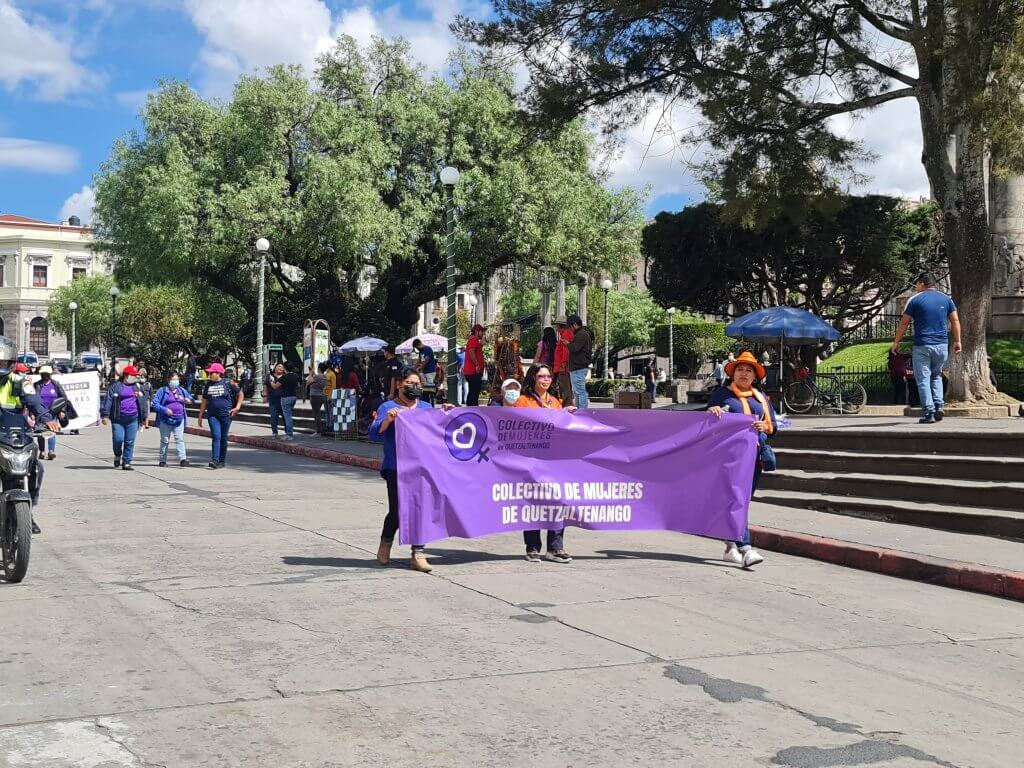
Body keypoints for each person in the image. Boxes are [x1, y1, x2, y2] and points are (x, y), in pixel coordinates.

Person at [369, 368, 440, 573]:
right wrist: (388, 420)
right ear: (399, 384)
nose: (413, 387)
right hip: (396, 468)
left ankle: (418, 553)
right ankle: (386, 541)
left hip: (422, 469)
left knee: (421, 510)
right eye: (409, 383)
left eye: (417, 383)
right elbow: (374, 434)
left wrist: (445, 413)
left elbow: (437, 431)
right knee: (398, 511)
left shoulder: (426, 407)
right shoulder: (388, 407)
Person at [707, 351, 772, 569]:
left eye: (749, 370)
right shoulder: (722, 395)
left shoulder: (760, 398)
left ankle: (730, 545)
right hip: (728, 457)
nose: (744, 373)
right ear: (733, 374)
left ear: (755, 376)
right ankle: (745, 547)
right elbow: (708, 420)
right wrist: (712, 411)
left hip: (754, 457)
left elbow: (774, 427)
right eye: (740, 370)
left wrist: (765, 427)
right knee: (738, 499)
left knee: (741, 501)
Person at [513, 363, 577, 563]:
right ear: (533, 378)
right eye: (541, 376)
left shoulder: (556, 402)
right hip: (531, 460)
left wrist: (566, 414)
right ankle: (532, 547)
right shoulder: (523, 401)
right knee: (532, 503)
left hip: (554, 462)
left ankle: (555, 548)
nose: (546, 380)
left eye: (548, 376)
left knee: (558, 502)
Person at [892, 272, 962, 424]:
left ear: (922, 283)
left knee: (923, 379)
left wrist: (897, 342)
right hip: (942, 345)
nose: (916, 287)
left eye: (916, 284)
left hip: (923, 345)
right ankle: (939, 406)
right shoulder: (946, 299)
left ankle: (929, 412)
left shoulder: (915, 300)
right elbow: (955, 321)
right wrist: (957, 341)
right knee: (936, 375)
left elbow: (904, 323)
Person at [100, 365, 149, 471]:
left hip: (133, 418)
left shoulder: (138, 386)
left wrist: (144, 417)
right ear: (126, 375)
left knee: (129, 441)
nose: (135, 377)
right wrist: (105, 415)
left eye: (136, 376)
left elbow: (144, 403)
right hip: (118, 419)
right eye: (133, 375)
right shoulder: (116, 386)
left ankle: (126, 462)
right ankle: (117, 455)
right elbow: (108, 401)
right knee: (118, 439)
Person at [196, 362, 243, 468]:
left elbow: (240, 394)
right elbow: (204, 400)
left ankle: (222, 461)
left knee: (223, 437)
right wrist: (200, 415)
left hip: (226, 415)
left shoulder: (228, 383)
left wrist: (237, 407)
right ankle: (215, 460)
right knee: (216, 435)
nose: (209, 375)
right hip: (212, 415)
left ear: (218, 373)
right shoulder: (208, 385)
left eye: (211, 373)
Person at [152, 372, 194, 467]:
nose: (176, 382)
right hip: (165, 419)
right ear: (168, 380)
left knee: (179, 439)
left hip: (179, 419)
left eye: (177, 380)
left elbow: (191, 399)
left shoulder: (182, 391)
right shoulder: (162, 391)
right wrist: (165, 410)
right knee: (165, 440)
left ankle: (183, 459)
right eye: (173, 380)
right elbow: (155, 404)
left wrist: (188, 400)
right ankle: (162, 460)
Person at [35, 366, 65, 460]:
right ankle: (42, 451)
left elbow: (63, 398)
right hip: (40, 412)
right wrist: (32, 412)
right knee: (41, 432)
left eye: (47, 374)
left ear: (50, 374)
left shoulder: (56, 384)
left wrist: (62, 410)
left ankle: (51, 451)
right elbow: (33, 399)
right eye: (43, 374)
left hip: (53, 412)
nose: (45, 376)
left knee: (52, 431)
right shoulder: (37, 385)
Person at [265, 362, 300, 440]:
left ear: (285, 368)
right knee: (288, 415)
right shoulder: (296, 376)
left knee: (287, 417)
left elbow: (274, 386)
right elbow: (298, 386)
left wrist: (271, 381)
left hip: (285, 397)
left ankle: (289, 434)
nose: (281, 368)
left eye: (282, 367)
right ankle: (288, 433)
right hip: (293, 397)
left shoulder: (284, 377)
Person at [566, 314, 593, 409]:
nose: (570, 329)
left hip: (578, 367)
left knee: (580, 391)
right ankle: (578, 410)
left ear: (574, 324)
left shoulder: (581, 334)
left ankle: (582, 411)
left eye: (570, 327)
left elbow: (575, 348)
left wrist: (568, 344)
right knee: (577, 391)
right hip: (578, 367)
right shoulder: (582, 333)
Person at [463, 324, 486, 406]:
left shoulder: (474, 340)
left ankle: (472, 407)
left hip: (473, 371)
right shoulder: (473, 340)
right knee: (474, 391)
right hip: (473, 371)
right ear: (477, 331)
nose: (483, 333)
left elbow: (476, 350)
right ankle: (472, 408)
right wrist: (477, 365)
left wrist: (482, 343)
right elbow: (472, 352)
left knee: (474, 391)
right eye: (481, 331)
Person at [553, 319, 574, 407]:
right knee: (564, 388)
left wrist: (563, 364)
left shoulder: (566, 334)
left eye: (557, 326)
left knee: (565, 388)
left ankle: (567, 406)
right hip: (562, 366)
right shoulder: (565, 334)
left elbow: (566, 350)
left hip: (563, 367)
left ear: (559, 326)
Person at [307, 362, 329, 434]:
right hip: (321, 395)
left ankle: (318, 431)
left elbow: (308, 382)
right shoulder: (325, 376)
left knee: (316, 414)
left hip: (314, 396)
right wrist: (313, 372)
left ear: (319, 368)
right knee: (318, 413)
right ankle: (319, 430)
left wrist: (310, 374)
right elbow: (317, 379)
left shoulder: (317, 377)